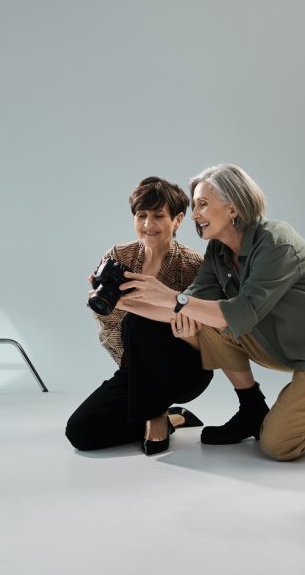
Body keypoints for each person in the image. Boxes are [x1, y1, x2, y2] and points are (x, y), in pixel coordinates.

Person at [118, 163, 305, 461]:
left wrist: (174, 299)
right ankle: (251, 408)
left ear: (232, 208)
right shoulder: (218, 253)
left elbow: (241, 313)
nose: (194, 215)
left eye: (202, 205)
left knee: (277, 446)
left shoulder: (276, 241)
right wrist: (122, 301)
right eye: (194, 206)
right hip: (279, 340)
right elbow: (190, 305)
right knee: (205, 316)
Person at [65, 176, 213, 456]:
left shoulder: (194, 266)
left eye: (158, 216)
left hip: (185, 369)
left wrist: (188, 333)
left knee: (139, 317)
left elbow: (213, 340)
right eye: (141, 215)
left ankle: (156, 416)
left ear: (178, 220)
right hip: (138, 369)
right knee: (81, 431)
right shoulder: (119, 256)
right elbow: (110, 327)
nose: (148, 225)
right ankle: (173, 418)